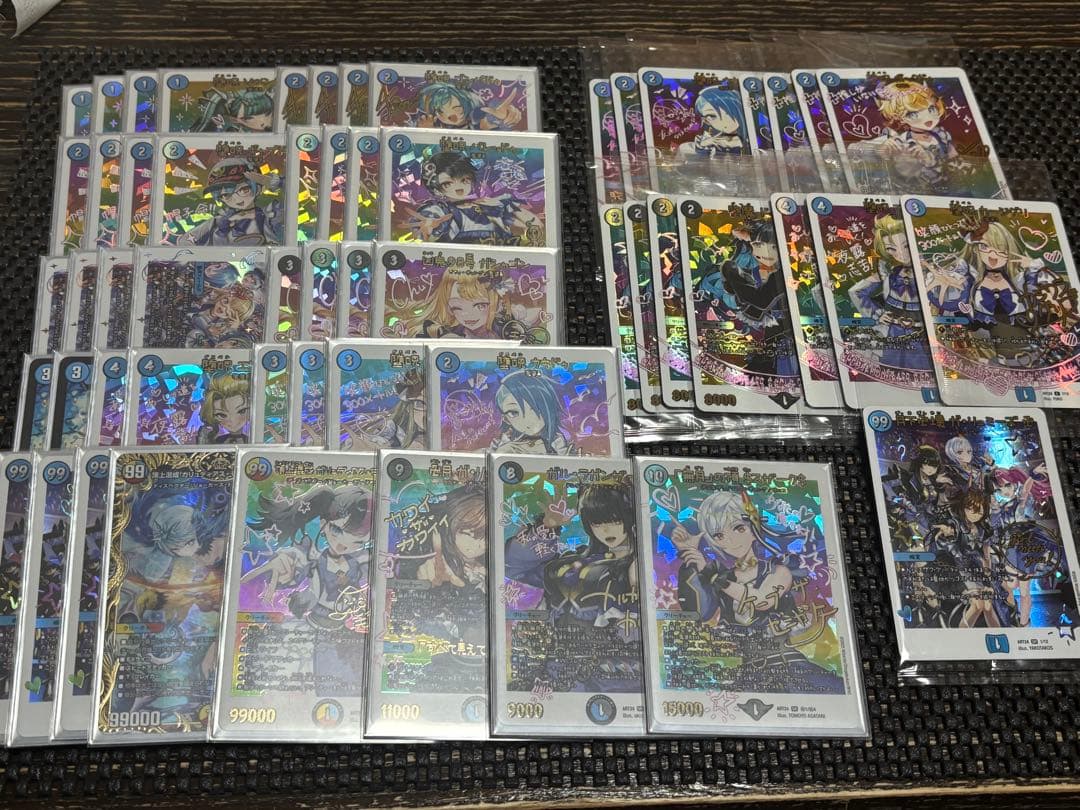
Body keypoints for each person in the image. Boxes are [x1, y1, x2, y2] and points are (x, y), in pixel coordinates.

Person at [671, 489, 844, 692]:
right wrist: (690, 558)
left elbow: (762, 600)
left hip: (787, 666)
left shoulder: (777, 570)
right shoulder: (720, 576)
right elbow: (700, 613)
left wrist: (711, 574)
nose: (730, 540)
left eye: (738, 528)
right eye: (719, 535)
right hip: (749, 673)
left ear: (754, 528)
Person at [242, 484, 373, 696]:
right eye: (337, 531)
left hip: (343, 630)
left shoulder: (359, 563)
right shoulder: (314, 559)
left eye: (357, 541)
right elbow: (294, 565)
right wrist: (282, 567)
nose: (342, 545)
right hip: (313, 627)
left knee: (347, 682)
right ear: (324, 523)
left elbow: (381, 574)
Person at [848, 214, 933, 372]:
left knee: (923, 374)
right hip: (892, 334)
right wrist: (878, 314)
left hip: (921, 335)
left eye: (906, 246)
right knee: (889, 373)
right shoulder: (889, 273)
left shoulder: (929, 271)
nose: (901, 254)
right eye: (892, 249)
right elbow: (856, 291)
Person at [408, 150, 542, 246]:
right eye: (447, 183)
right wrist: (430, 224)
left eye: (464, 180)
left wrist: (504, 212)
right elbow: (430, 224)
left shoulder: (492, 204)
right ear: (436, 189)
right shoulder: (442, 210)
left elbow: (533, 225)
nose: (459, 187)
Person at [179, 157, 284, 246]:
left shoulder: (269, 216)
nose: (236, 198)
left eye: (244, 190)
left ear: (258, 188)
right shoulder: (219, 221)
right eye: (226, 195)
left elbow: (291, 201)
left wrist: (273, 182)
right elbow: (185, 241)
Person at [491, 370, 573, 455]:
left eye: (536, 409)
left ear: (549, 407)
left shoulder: (560, 443)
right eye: (513, 413)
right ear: (506, 419)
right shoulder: (509, 449)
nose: (527, 420)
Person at [676, 86, 749, 158]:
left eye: (728, 113)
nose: (723, 120)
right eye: (710, 116)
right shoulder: (706, 143)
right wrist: (702, 148)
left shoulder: (750, 141)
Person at [414, 82, 522, 130]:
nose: (450, 116)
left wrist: (503, 117)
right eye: (440, 111)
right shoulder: (435, 123)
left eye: (457, 108)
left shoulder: (477, 117)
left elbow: (490, 117)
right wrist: (425, 131)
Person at [196, 373, 250, 444]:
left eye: (242, 411)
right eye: (222, 415)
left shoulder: (254, 437)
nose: (232, 421)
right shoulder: (217, 439)